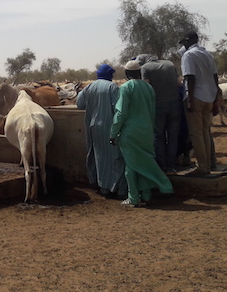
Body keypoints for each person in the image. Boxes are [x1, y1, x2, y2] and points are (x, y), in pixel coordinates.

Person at [109, 60, 173, 207]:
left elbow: (121, 112)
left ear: (126, 73)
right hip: (146, 131)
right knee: (143, 161)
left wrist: (113, 132)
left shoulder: (126, 88)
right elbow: (152, 111)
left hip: (130, 132)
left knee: (131, 166)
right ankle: (146, 194)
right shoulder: (149, 88)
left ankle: (133, 198)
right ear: (139, 73)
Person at [76, 64, 128, 198]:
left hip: (93, 128)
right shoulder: (112, 87)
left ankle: (104, 187)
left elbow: (79, 104)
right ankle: (119, 189)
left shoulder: (89, 87)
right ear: (110, 75)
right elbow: (119, 108)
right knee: (116, 156)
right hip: (109, 127)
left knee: (99, 157)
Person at [178, 31, 221, 175]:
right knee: (205, 133)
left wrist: (189, 99)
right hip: (209, 96)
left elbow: (190, 77)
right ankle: (208, 164)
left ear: (188, 41)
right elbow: (215, 77)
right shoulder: (207, 54)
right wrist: (215, 99)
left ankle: (203, 167)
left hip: (196, 97)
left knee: (196, 134)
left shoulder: (188, 55)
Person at [136, 54, 183, 174]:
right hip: (175, 104)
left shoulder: (145, 68)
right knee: (173, 137)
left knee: (159, 136)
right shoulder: (170, 64)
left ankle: (161, 167)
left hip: (158, 106)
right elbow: (179, 83)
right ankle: (171, 166)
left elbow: (146, 87)